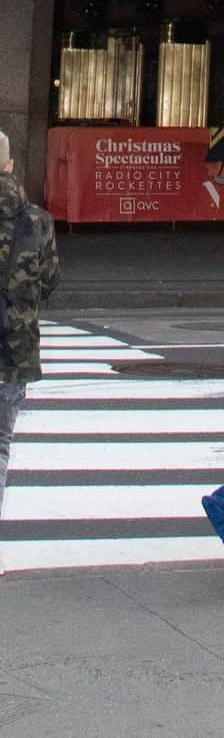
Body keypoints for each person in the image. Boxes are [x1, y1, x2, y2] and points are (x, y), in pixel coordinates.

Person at [0, 129, 60, 574]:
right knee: (0, 444)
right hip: (15, 352)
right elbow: (49, 284)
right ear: (9, 165)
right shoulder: (37, 221)